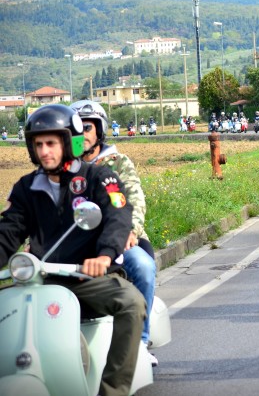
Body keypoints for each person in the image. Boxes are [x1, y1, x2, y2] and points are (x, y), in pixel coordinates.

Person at [0, 104, 145, 396]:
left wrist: (104, 255)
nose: (44, 151)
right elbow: (8, 232)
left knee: (131, 303)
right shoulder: (26, 188)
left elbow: (118, 216)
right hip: (41, 280)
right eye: (38, 144)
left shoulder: (100, 177)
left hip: (87, 277)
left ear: (69, 143)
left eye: (51, 143)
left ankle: (113, 390)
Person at [71, 100, 159, 367]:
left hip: (117, 240)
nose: (82, 134)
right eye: (75, 129)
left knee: (143, 267)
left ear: (99, 130)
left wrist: (131, 231)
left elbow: (134, 198)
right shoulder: (64, 167)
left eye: (87, 127)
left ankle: (139, 343)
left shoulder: (117, 162)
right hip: (73, 245)